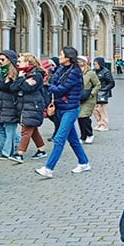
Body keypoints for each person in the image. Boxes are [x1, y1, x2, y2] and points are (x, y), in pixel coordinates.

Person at [34, 46, 90, 179]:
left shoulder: (75, 72)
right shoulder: (61, 69)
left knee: (59, 138)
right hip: (61, 107)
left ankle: (48, 168)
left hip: (70, 109)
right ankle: (84, 162)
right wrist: (52, 86)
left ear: (68, 58)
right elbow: (53, 83)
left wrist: (51, 87)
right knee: (73, 139)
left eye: (61, 55)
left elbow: (61, 89)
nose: (59, 57)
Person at [9, 53, 47, 163]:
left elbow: (27, 88)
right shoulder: (23, 74)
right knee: (33, 129)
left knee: (26, 130)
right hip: (25, 106)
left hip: (33, 106)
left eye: (20, 61)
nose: (17, 63)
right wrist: (21, 79)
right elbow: (13, 87)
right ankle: (41, 150)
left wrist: (21, 80)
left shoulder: (36, 75)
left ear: (28, 62)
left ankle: (19, 153)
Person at [0, 50, 21, 159]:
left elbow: (11, 88)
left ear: (10, 60)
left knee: (10, 128)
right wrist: (1, 84)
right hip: (0, 103)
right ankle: (5, 146)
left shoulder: (15, 72)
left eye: (3, 59)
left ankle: (7, 152)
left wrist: (0, 85)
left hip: (11, 104)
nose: (0, 61)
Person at [76, 56, 100, 144]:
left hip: (89, 99)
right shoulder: (76, 72)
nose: (78, 62)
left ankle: (89, 134)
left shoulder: (90, 73)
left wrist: (92, 93)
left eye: (80, 61)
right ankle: (83, 135)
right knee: (80, 117)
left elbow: (97, 84)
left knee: (84, 117)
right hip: (79, 97)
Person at [93, 57, 115, 132]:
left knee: (102, 109)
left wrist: (104, 89)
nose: (95, 65)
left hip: (103, 94)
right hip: (96, 92)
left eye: (96, 64)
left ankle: (104, 124)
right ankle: (99, 123)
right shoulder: (94, 71)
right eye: (94, 64)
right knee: (95, 109)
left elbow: (111, 83)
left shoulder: (106, 72)